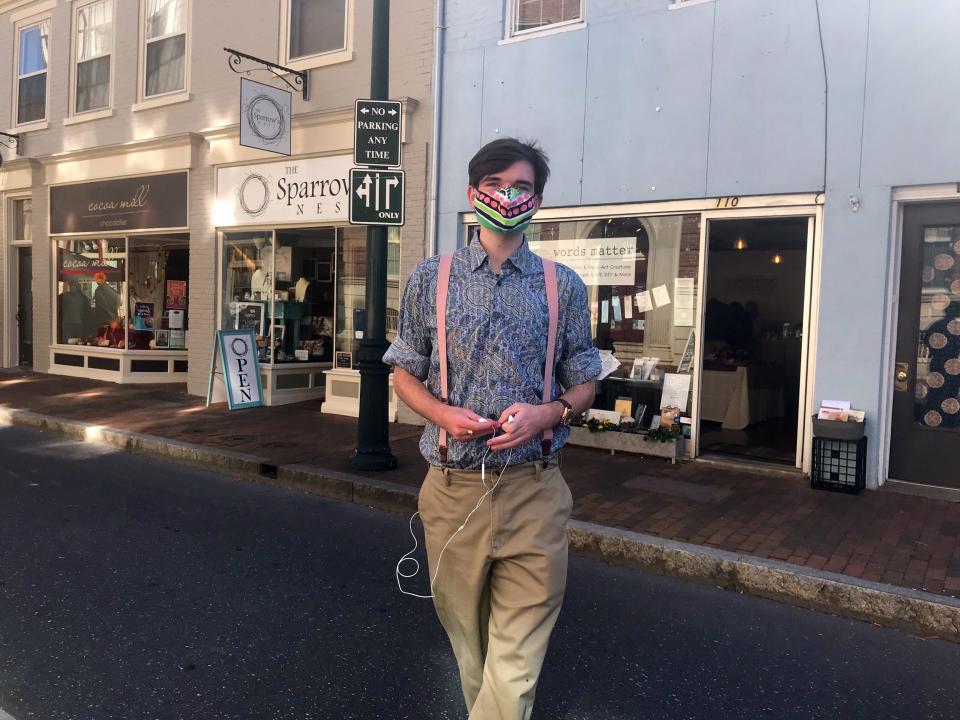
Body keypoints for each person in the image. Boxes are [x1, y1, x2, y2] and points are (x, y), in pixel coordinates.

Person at [384, 138, 601, 719]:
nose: (510, 196)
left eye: (523, 186)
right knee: (471, 647)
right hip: (453, 492)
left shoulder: (564, 287)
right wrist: (440, 413)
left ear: (537, 198)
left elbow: (585, 381)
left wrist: (549, 412)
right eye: (499, 183)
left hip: (535, 488)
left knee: (518, 657)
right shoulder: (432, 279)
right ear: (472, 194)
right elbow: (404, 374)